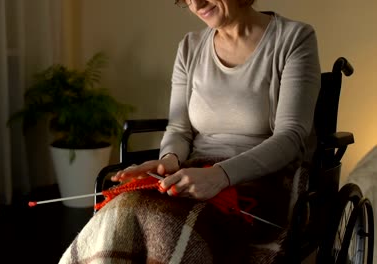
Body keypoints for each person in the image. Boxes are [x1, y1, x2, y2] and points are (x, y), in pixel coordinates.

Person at [60, 0, 320, 263]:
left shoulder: (293, 38)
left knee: (166, 225)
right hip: (195, 171)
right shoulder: (190, 46)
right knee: (125, 210)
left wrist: (220, 176)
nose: (197, 4)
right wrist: (168, 162)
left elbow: (291, 137)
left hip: (262, 181)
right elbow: (179, 129)